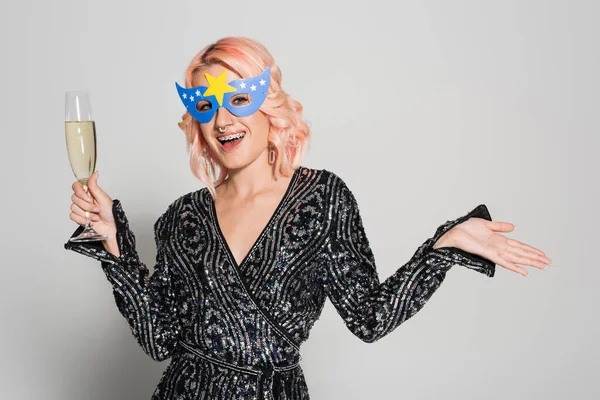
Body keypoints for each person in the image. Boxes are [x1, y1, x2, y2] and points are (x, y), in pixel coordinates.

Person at [64, 36, 551, 400]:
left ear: (268, 107)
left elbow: (370, 318)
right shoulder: (181, 218)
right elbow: (159, 340)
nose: (224, 121)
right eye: (206, 105)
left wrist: (445, 247)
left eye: (239, 98)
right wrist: (113, 245)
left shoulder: (322, 199)